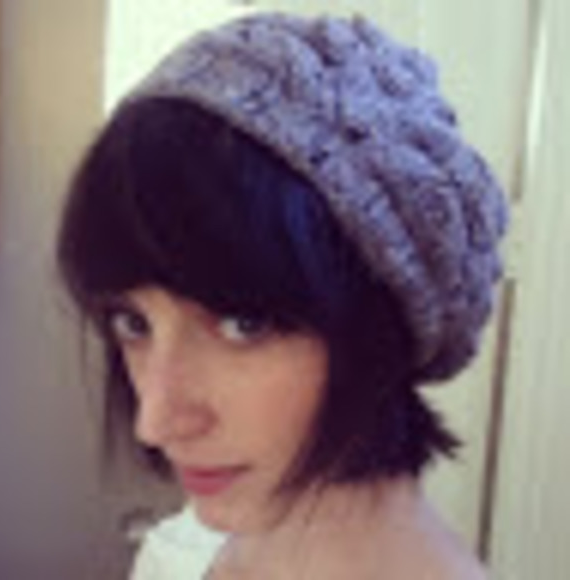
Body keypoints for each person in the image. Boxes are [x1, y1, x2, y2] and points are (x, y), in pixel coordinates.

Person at [56, 11, 509, 580]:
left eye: (242, 324)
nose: (156, 420)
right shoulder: (175, 552)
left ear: (379, 326)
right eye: (133, 323)